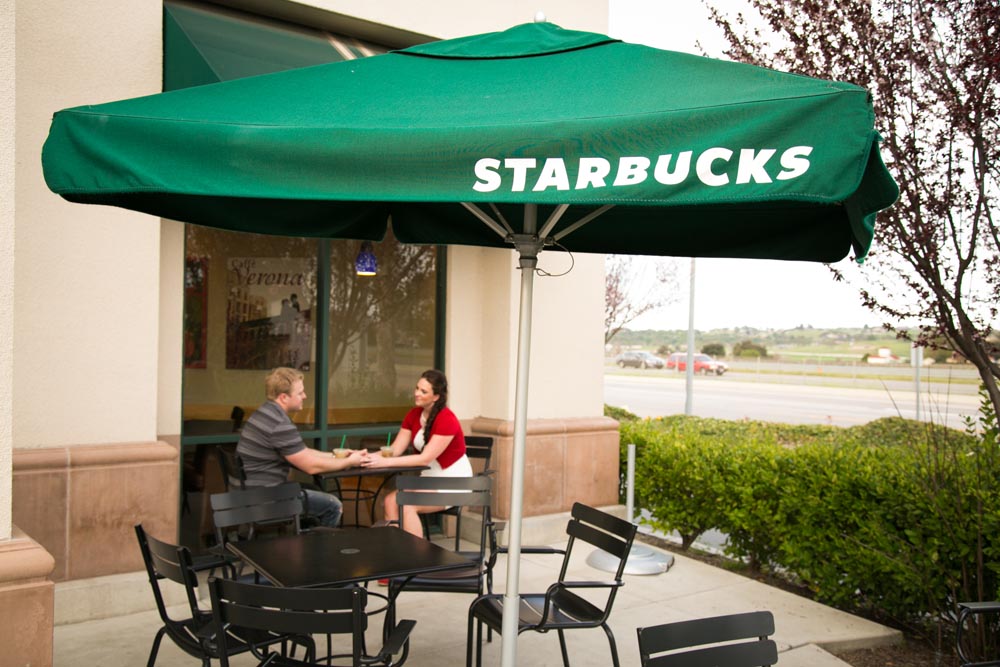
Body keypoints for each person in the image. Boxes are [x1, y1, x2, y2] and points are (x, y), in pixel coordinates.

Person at [237, 367, 364, 527]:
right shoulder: (278, 424)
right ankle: (316, 550)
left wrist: (336, 455)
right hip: (268, 499)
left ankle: (301, 540)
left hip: (253, 493)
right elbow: (311, 466)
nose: (305, 396)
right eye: (300, 393)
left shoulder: (264, 413)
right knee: (333, 505)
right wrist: (351, 462)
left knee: (313, 489)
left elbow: (301, 452)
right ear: (284, 397)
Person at [362, 369, 472, 537]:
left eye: (423, 391)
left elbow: (424, 459)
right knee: (390, 501)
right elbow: (395, 450)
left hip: (453, 481)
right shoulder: (414, 415)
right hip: (430, 479)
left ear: (436, 397)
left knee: (407, 504)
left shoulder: (446, 419)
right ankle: (396, 552)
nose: (416, 394)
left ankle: (419, 559)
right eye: (417, 388)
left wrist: (384, 462)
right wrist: (366, 456)